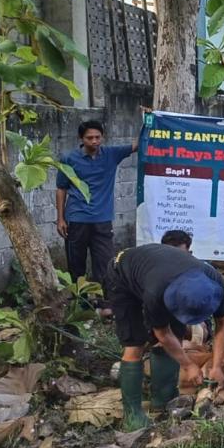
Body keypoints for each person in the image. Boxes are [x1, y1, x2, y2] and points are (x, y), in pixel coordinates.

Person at [109, 230, 224, 430]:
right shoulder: (156, 292)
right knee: (135, 344)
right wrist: (189, 365)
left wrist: (217, 366)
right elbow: (163, 334)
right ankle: (132, 415)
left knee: (175, 335)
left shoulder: (213, 278)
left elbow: (223, 324)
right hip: (123, 274)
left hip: (164, 271)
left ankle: (163, 400)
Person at [56, 120, 138, 314]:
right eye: (89, 138)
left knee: (106, 264)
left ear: (103, 137)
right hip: (76, 220)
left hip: (102, 220)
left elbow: (138, 144)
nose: (94, 141)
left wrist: (149, 120)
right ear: (81, 139)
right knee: (76, 264)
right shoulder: (68, 158)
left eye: (98, 137)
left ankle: (105, 304)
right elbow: (61, 189)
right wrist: (60, 218)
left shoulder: (111, 154)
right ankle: (81, 304)